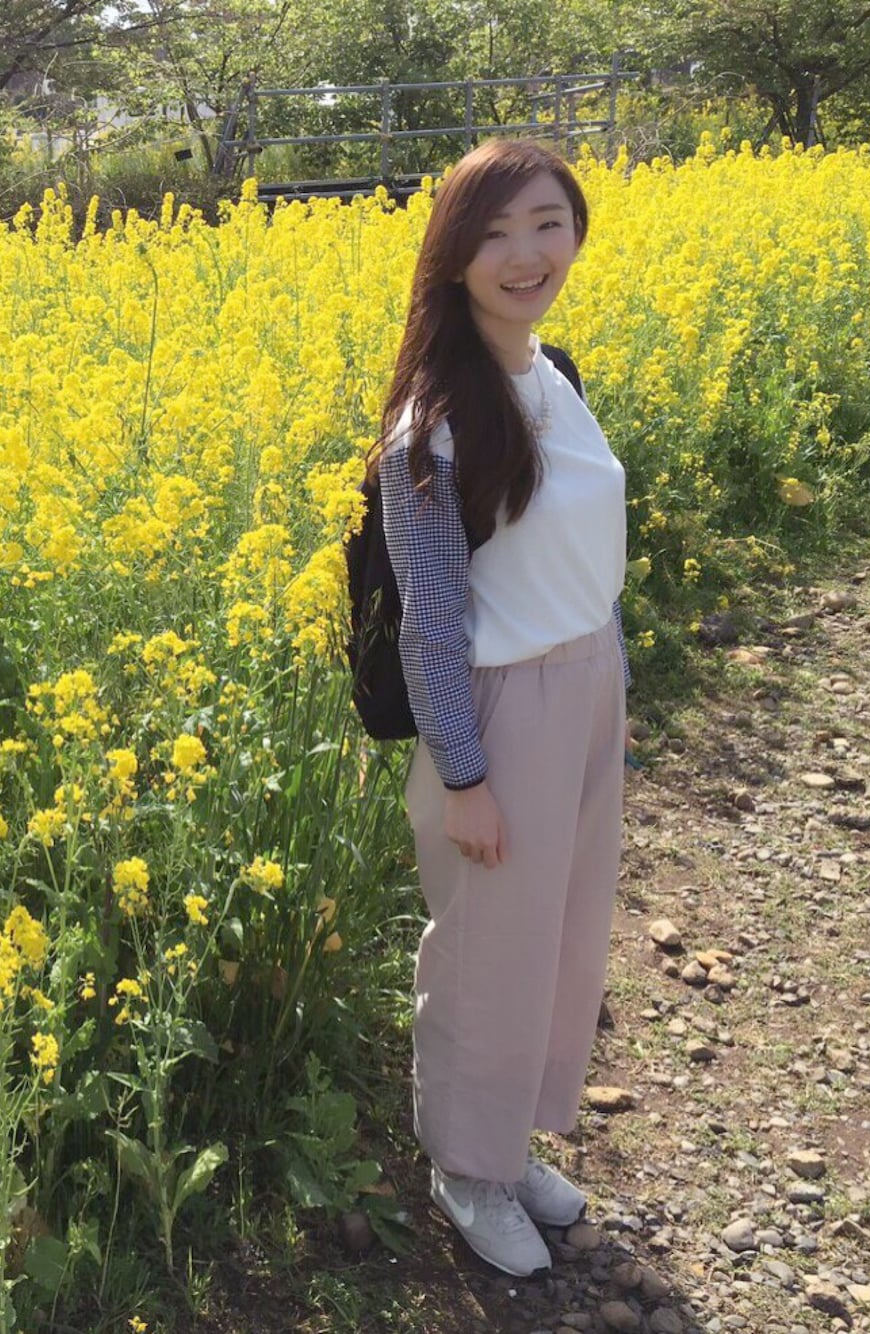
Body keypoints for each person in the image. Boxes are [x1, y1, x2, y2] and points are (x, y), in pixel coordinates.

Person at [372, 138, 631, 1278]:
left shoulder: (551, 371)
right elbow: (429, 623)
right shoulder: (433, 424)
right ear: (453, 256)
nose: (527, 255)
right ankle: (465, 1169)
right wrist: (466, 777)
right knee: (486, 952)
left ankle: (508, 1141)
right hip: (498, 709)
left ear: (575, 231)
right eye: (494, 234)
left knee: (560, 936)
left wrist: (609, 681)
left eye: (546, 224)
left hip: (586, 682)